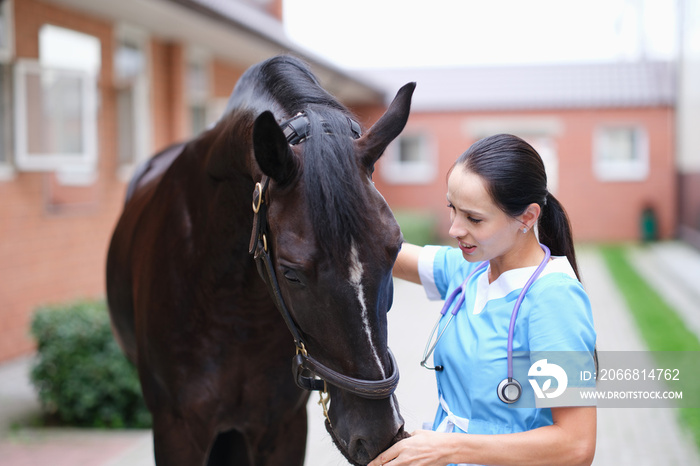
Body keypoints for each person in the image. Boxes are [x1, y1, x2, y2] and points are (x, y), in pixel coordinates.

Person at [370, 134, 597, 466]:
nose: (455, 229)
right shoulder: (471, 270)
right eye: (453, 209)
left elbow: (575, 445)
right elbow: (381, 252)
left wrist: (449, 447)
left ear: (528, 217)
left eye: (473, 218)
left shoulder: (553, 300)